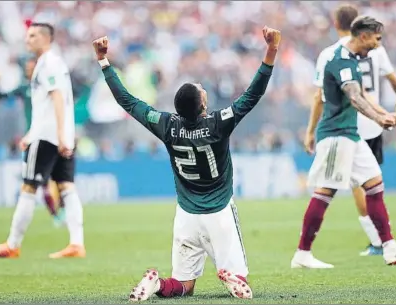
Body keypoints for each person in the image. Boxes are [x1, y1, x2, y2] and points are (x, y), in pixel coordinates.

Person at [92, 25, 280, 301]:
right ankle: (232, 279)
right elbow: (253, 95)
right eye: (201, 91)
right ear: (202, 104)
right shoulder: (219, 123)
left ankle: (157, 286)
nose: (203, 89)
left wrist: (104, 61)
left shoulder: (166, 125)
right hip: (219, 212)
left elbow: (128, 102)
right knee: (242, 283)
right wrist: (271, 50)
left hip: (186, 216)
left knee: (183, 286)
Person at [291, 16, 396, 269]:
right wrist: (378, 118)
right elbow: (354, 97)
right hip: (336, 136)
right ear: (363, 36)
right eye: (377, 39)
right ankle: (302, 253)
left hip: (350, 135)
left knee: (374, 183)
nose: (378, 44)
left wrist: (383, 115)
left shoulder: (351, 60)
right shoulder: (342, 61)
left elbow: (361, 96)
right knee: (325, 192)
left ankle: (389, 246)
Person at [0, 22, 85, 259]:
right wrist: (63, 135)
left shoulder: (47, 64)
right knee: (67, 187)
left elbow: (57, 98)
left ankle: (12, 244)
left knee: (29, 187)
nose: (27, 39)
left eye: (32, 36)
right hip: (60, 135)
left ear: (44, 38)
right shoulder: (55, 62)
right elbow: (49, 104)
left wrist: (54, 135)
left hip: (48, 137)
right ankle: (77, 243)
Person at [0, 58, 66, 227]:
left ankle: (61, 209)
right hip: (34, 138)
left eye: (31, 68)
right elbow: (0, 96)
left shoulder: (48, 86)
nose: (28, 71)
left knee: (60, 176)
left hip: (52, 135)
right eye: (27, 68)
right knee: (43, 180)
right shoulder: (24, 88)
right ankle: (56, 215)